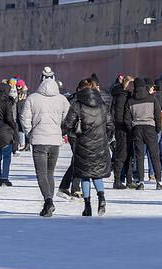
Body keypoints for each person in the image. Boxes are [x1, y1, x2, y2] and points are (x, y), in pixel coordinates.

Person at [21, 67, 72, 215]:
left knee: (41, 173)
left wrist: (29, 133)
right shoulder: (62, 99)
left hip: (39, 140)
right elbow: (68, 118)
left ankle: (48, 201)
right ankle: (48, 203)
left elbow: (24, 118)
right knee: (50, 172)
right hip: (55, 140)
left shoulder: (32, 98)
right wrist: (60, 132)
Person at [61, 78, 113, 216]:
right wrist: (103, 137)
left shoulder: (77, 105)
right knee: (97, 173)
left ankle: (87, 206)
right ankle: (101, 197)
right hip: (100, 145)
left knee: (84, 175)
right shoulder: (102, 104)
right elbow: (110, 125)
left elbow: (67, 125)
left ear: (80, 89)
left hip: (83, 144)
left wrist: (66, 132)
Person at [127, 78, 162, 190]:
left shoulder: (130, 101)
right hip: (150, 129)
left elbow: (127, 119)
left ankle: (141, 182)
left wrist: (132, 130)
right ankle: (159, 182)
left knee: (139, 156)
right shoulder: (152, 99)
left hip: (137, 129)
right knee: (154, 155)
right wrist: (158, 129)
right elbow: (158, 115)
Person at [110, 75, 133, 189]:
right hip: (122, 128)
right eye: (131, 83)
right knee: (121, 155)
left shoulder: (123, 95)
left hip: (125, 128)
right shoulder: (122, 96)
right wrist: (127, 126)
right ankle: (117, 181)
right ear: (127, 84)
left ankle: (129, 180)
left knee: (128, 155)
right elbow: (119, 115)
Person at [15, 80, 29, 151]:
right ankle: (17, 145)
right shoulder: (17, 93)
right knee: (18, 130)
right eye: (17, 86)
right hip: (17, 113)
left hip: (25, 114)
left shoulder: (27, 93)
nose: (18, 87)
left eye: (19, 86)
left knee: (26, 130)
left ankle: (27, 146)